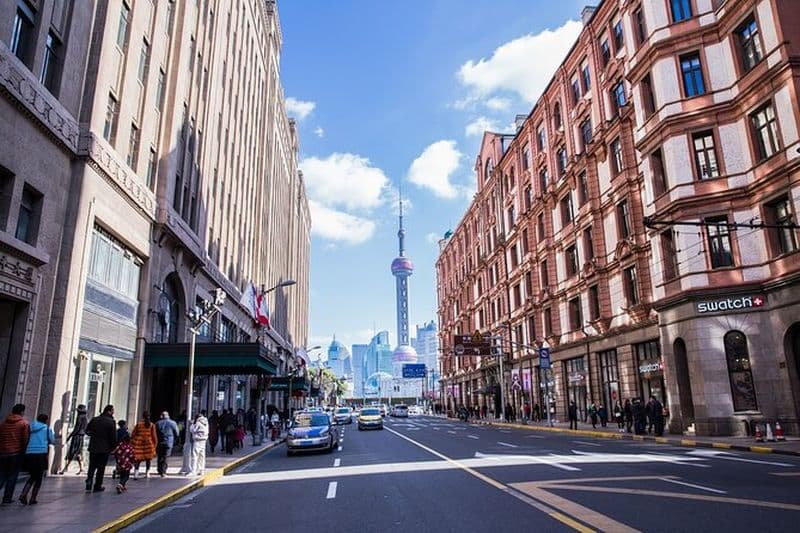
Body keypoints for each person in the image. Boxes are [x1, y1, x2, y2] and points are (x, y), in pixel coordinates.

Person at [18, 413, 55, 505]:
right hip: (41, 454)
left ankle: (24, 493)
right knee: (38, 478)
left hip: (29, 453)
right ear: (46, 420)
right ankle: (32, 498)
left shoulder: (30, 427)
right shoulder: (47, 429)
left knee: (32, 475)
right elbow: (52, 440)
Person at [0, 404, 31, 504]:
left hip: (3, 452)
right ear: (22, 412)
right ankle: (7, 498)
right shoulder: (23, 424)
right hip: (16, 452)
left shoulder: (4, 423)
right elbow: (25, 439)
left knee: (1, 475)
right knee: (12, 476)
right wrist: (24, 451)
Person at [85, 404, 117, 493]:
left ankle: (89, 481)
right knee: (101, 467)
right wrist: (114, 447)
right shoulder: (111, 422)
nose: (113, 412)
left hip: (93, 447)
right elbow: (113, 437)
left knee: (92, 466)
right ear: (109, 411)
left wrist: (93, 435)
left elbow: (87, 431)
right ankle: (97, 485)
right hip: (104, 448)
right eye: (113, 410)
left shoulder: (94, 419)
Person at [60, 404, 88, 475]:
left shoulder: (80, 417)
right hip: (81, 436)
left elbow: (76, 428)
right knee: (78, 452)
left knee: (73, 452)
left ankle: (66, 468)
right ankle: (80, 468)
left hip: (77, 436)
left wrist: (69, 436)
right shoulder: (85, 418)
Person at [130, 412, 157, 479]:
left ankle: (136, 473)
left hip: (139, 443)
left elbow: (133, 434)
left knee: (138, 459)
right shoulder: (151, 425)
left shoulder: (139, 424)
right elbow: (154, 436)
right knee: (148, 459)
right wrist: (155, 444)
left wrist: (133, 442)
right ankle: (147, 473)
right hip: (148, 443)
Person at [155, 411, 179, 477]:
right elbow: (177, 433)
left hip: (160, 442)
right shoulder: (172, 423)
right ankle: (163, 471)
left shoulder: (158, 423)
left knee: (160, 456)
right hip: (168, 442)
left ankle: (159, 470)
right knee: (166, 457)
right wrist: (175, 440)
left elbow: (155, 433)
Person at [189, 411, 209, 476]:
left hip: (197, 440)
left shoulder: (197, 422)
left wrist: (192, 424)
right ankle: (201, 470)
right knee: (202, 456)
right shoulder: (206, 422)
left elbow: (192, 430)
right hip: (204, 440)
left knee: (195, 456)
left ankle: (193, 470)